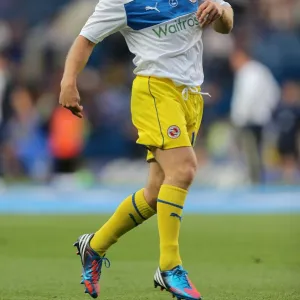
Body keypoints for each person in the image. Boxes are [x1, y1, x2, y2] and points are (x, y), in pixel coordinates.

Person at [59, 0, 233, 299]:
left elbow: (226, 24)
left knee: (155, 193)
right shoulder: (121, 2)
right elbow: (86, 38)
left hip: (191, 96)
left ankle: (94, 246)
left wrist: (220, 10)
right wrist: (68, 81)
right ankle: (169, 266)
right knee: (184, 170)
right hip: (155, 90)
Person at [230, 47, 280, 183]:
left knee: (250, 153)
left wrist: (240, 117)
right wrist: (266, 110)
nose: (232, 64)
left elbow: (248, 96)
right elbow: (274, 93)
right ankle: (257, 179)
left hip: (249, 120)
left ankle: (254, 181)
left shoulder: (249, 72)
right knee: (258, 152)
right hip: (260, 119)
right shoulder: (260, 70)